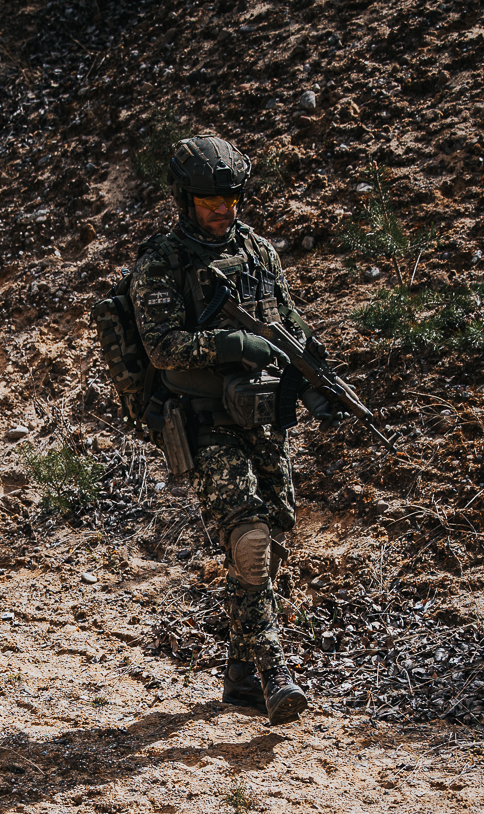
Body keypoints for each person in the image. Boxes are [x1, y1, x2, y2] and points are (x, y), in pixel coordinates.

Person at [129, 135, 327, 724]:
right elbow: (162, 347)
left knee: (278, 530)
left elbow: (288, 321)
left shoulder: (260, 252)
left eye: (231, 197)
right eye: (210, 199)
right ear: (184, 199)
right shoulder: (160, 262)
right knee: (249, 539)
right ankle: (275, 673)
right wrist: (232, 343)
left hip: (262, 416)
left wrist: (314, 370)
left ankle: (239, 675)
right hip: (201, 421)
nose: (223, 208)